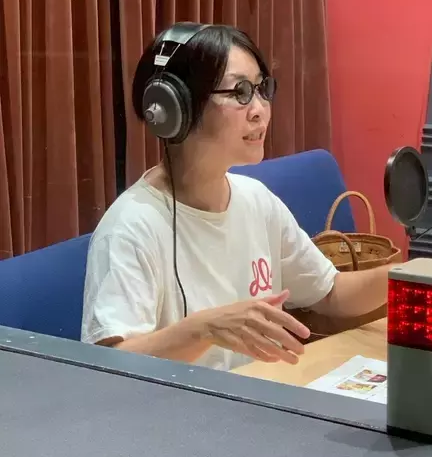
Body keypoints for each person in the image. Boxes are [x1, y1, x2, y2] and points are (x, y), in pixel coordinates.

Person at [81, 22, 392, 371]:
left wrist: (410, 275)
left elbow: (330, 292)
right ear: (178, 107)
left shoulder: (257, 200)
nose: (260, 110)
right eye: (240, 92)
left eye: (261, 88)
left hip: (261, 393)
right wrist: (203, 329)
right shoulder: (130, 228)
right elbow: (108, 368)